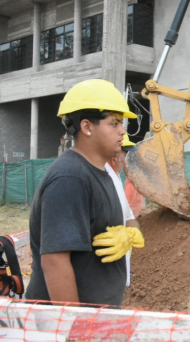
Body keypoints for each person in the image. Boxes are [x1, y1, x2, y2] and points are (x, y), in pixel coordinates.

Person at [26, 79, 144, 306]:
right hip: (67, 327)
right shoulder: (70, 178)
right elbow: (55, 262)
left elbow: (126, 221)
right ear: (87, 127)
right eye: (114, 123)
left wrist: (128, 235)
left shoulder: (102, 172)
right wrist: (75, 329)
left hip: (98, 318)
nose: (122, 131)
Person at [105, 135, 140, 287]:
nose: (125, 160)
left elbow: (126, 212)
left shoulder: (115, 176)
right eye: (124, 155)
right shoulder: (104, 176)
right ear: (115, 155)